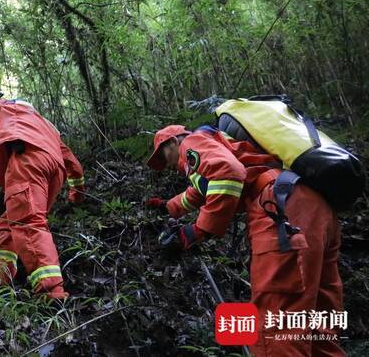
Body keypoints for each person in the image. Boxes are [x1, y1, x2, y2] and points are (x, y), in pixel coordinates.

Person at [146, 125, 344, 356]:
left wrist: (199, 230)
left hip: (279, 211)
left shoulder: (192, 143)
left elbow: (229, 173)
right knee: (317, 331)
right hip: (312, 207)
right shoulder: (216, 145)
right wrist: (167, 206)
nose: (166, 165)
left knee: (275, 329)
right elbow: (201, 190)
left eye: (163, 155)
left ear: (173, 142)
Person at [0, 95, 85, 300]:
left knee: (27, 223)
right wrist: (76, 196)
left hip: (28, 160)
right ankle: (0, 280)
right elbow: (75, 166)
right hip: (54, 174)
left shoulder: (9, 108)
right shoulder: (46, 126)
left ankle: (51, 291)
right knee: (6, 224)